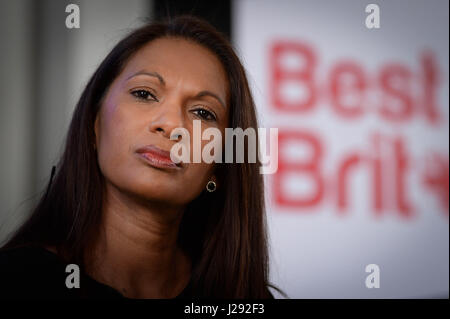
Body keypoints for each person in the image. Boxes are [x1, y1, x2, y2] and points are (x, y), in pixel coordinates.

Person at [0, 15, 283, 299]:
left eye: (202, 113)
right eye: (145, 93)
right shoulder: (16, 280)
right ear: (94, 124)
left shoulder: (245, 299)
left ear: (220, 166)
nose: (171, 124)